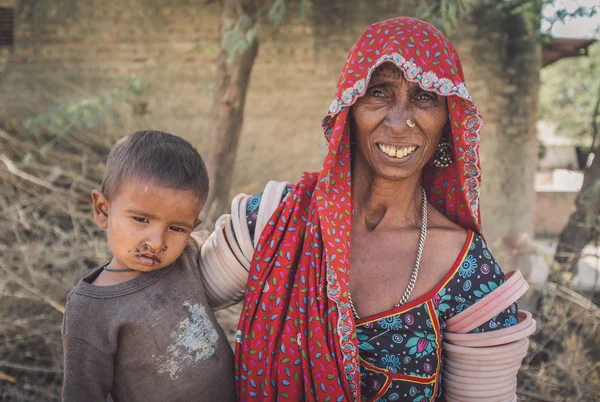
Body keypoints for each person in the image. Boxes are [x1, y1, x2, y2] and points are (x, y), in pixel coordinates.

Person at [201, 17, 532, 401]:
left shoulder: (468, 273)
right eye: (379, 92)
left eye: (425, 97)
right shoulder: (277, 221)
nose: (399, 121)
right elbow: (167, 295)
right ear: (349, 107)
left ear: (447, 121)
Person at [61, 130, 236, 402]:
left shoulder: (187, 255)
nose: (157, 242)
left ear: (192, 229)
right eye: (141, 219)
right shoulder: (90, 310)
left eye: (176, 227)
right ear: (102, 209)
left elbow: (229, 246)